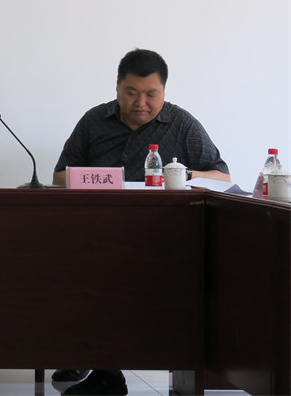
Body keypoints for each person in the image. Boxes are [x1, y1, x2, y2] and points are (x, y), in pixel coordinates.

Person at [51, 48, 229, 396]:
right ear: (118, 86)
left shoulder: (182, 124)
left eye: (151, 94)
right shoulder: (94, 121)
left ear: (164, 90)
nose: (141, 103)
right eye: (132, 92)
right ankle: (96, 361)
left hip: (159, 238)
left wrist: (181, 173)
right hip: (95, 235)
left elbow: (222, 177)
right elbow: (59, 176)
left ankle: (102, 365)